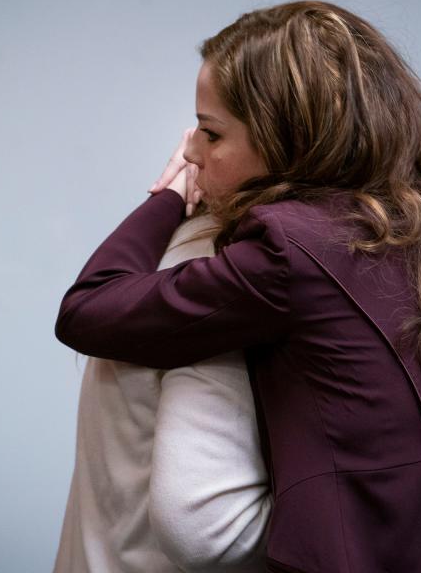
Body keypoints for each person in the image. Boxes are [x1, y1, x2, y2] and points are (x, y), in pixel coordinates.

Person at [55, 0, 421, 573]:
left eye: (210, 134)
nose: (190, 150)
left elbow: (89, 309)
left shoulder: (288, 249)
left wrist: (166, 197)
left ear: (289, 140)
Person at [53, 187, 272, 573]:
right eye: (205, 128)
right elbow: (205, 532)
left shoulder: (176, 246)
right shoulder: (226, 268)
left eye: (209, 132)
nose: (186, 151)